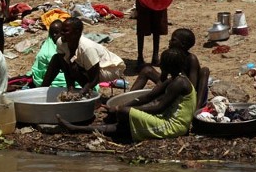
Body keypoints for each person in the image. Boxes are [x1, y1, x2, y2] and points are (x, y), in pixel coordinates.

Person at [57, 47, 197, 142]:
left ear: (168, 66)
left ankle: (78, 129)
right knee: (121, 125)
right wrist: (122, 105)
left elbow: (159, 107)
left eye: (162, 64)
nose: (160, 66)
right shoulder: (174, 79)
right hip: (165, 119)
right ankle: (76, 129)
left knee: (124, 114)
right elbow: (148, 97)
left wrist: (123, 109)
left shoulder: (180, 83)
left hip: (173, 127)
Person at [41, 17, 125, 97]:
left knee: (75, 69)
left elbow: (94, 79)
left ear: (76, 32)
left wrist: (80, 94)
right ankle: (42, 91)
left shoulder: (87, 48)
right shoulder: (61, 42)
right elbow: (65, 68)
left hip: (110, 68)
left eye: (65, 31)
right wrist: (70, 88)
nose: (61, 33)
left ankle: (92, 99)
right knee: (57, 59)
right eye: (62, 30)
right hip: (88, 66)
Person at [130, 28, 210, 109]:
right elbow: (163, 78)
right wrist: (156, 93)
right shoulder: (170, 55)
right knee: (147, 70)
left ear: (183, 44)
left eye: (173, 40)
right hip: (172, 83)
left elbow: (192, 85)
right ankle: (129, 97)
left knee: (205, 70)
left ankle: (196, 108)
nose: (169, 42)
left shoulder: (191, 59)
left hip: (186, 91)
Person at [26, 19, 67, 87]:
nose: (54, 35)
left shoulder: (69, 45)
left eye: (57, 32)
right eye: (52, 32)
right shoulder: (46, 51)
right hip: (52, 79)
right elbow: (39, 72)